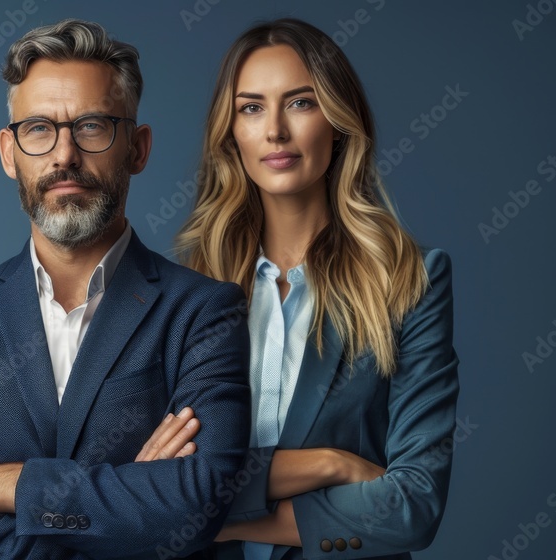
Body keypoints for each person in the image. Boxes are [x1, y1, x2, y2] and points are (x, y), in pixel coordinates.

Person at [0, 19, 252, 560]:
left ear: (138, 148)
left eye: (93, 126)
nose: (64, 156)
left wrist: (13, 484)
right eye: (38, 129)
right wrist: (125, 509)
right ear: (9, 153)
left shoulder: (204, 312)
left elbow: (196, 505)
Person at [173, 18, 460, 559]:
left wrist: (223, 522)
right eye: (251, 108)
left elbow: (412, 507)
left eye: (301, 103)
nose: (275, 131)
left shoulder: (410, 282)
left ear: (339, 120)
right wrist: (333, 464)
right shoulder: (187, 291)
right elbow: (150, 483)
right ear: (230, 132)